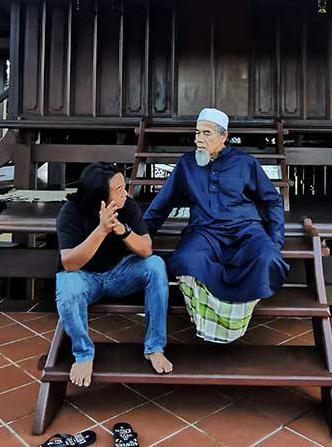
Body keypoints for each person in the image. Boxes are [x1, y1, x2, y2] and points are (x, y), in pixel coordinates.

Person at [143, 107, 288, 343]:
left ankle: (234, 320)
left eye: (206, 133)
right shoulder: (187, 165)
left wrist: (275, 239)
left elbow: (272, 200)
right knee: (186, 260)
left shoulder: (245, 163)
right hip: (204, 231)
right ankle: (211, 324)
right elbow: (162, 203)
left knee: (267, 257)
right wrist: (140, 236)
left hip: (245, 230)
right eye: (197, 133)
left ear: (224, 136)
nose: (199, 139)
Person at [55, 162, 173, 387]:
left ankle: (154, 347)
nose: (125, 193)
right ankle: (83, 354)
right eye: (118, 189)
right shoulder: (71, 212)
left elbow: (146, 249)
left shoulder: (128, 206)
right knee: (67, 286)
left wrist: (123, 231)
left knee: (156, 265)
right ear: (100, 195)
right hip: (84, 277)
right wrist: (101, 230)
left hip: (120, 273)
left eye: (124, 186)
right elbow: (69, 263)